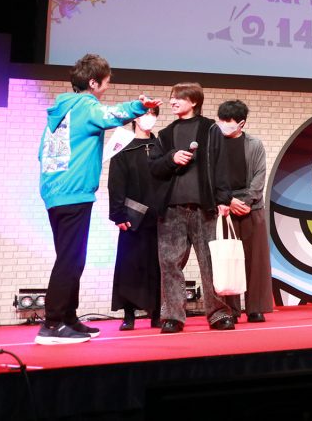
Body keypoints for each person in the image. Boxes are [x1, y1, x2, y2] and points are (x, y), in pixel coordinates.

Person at [36, 53, 158, 344]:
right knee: (70, 258)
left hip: (56, 191)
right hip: (73, 192)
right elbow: (111, 116)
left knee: (71, 256)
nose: (107, 87)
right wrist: (140, 106)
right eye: (105, 82)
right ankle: (52, 324)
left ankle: (68, 318)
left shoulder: (62, 110)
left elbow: (42, 154)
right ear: (93, 82)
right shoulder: (85, 106)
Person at [149, 83, 236, 333]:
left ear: (194, 101)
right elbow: (154, 168)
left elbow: (222, 165)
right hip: (171, 210)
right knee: (170, 263)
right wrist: (171, 158)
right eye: (172, 97)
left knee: (210, 262)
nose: (173, 101)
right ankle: (173, 316)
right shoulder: (165, 134)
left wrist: (223, 199)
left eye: (178, 97)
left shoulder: (210, 129)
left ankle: (219, 313)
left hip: (204, 208)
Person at [216, 100, 273, 323]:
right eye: (221, 120)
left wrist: (247, 201)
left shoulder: (254, 144)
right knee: (227, 258)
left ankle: (255, 307)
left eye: (228, 121)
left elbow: (260, 176)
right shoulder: (214, 144)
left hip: (251, 206)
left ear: (241, 123)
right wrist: (227, 201)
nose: (224, 125)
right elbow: (210, 177)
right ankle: (229, 309)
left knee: (255, 260)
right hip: (223, 207)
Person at [107, 105, 163, 331]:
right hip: (132, 216)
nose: (149, 118)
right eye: (144, 113)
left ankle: (157, 313)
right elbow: (115, 183)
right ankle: (128, 314)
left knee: (158, 265)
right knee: (129, 265)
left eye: (153, 114)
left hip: (159, 216)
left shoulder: (162, 146)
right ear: (135, 118)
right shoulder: (123, 147)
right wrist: (118, 214)